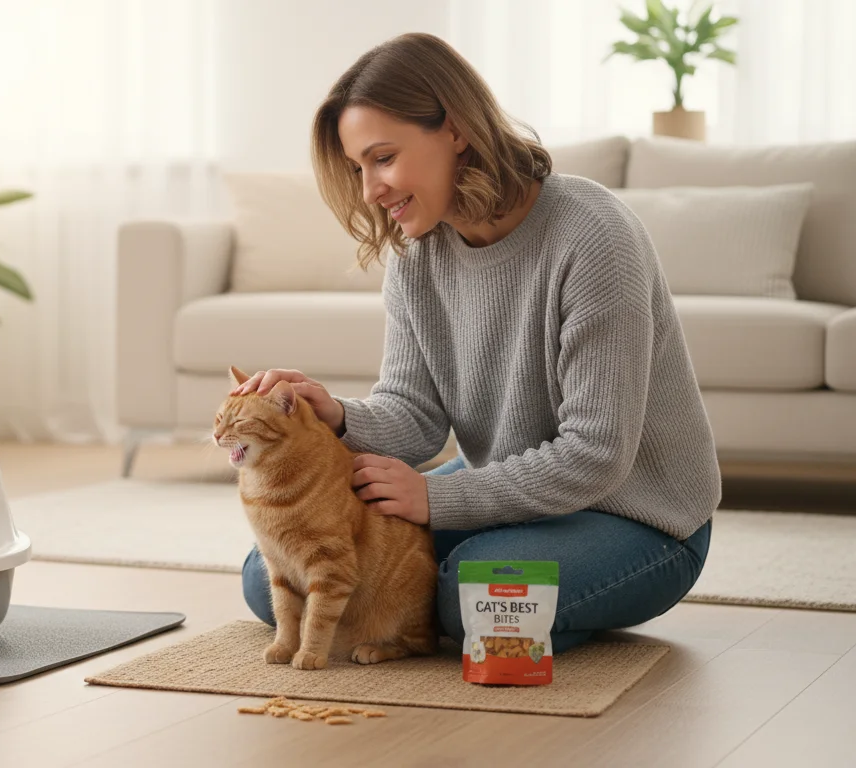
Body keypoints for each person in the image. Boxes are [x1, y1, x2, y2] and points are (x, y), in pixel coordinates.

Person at [232, 32, 719, 653]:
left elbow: (596, 455)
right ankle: (497, 610)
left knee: (474, 590)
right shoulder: (417, 254)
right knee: (269, 576)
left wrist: (435, 497)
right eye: (358, 168)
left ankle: (486, 605)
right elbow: (415, 418)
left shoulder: (594, 236)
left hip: (640, 517)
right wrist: (337, 416)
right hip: (506, 485)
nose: (369, 191)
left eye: (382, 158)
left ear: (456, 129)